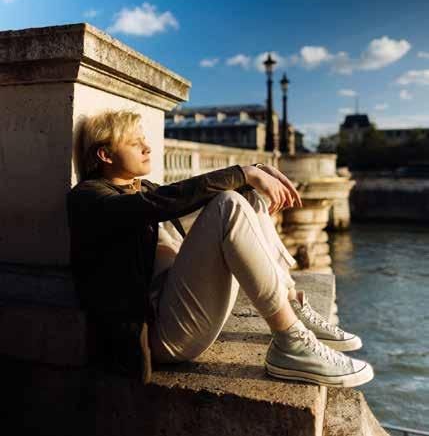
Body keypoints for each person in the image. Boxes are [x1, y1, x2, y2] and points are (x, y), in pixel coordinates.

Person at [67, 110, 374, 388]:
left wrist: (253, 173)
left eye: (145, 140)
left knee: (246, 196)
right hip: (159, 336)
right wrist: (243, 173)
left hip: (179, 305)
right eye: (135, 144)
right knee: (229, 203)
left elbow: (188, 194)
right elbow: (161, 203)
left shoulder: (141, 188)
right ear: (105, 154)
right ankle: (289, 341)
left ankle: (291, 303)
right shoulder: (88, 198)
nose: (148, 148)